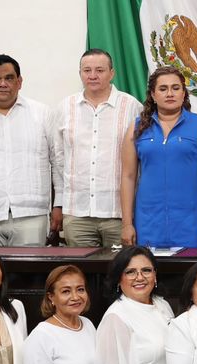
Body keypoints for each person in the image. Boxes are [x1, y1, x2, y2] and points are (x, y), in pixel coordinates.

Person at [0, 54, 63, 247]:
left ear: (19, 82)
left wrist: (59, 205)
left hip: (31, 214)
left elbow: (57, 161)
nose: (3, 84)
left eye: (9, 78)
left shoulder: (42, 113)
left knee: (29, 275)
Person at [123, 66, 197, 249]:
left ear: (184, 93)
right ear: (152, 94)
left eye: (176, 88)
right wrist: (127, 224)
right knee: (148, 274)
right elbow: (128, 177)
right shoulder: (137, 127)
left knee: (190, 275)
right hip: (148, 223)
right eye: (163, 88)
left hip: (192, 223)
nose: (170, 93)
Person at [56, 48, 143, 248]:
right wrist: (59, 204)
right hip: (77, 214)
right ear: (80, 74)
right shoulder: (64, 108)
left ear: (112, 73)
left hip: (119, 214)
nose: (93, 76)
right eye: (87, 70)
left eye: (100, 70)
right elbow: (59, 157)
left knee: (120, 273)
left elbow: (141, 158)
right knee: (80, 275)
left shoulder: (132, 107)